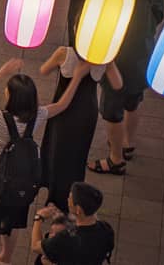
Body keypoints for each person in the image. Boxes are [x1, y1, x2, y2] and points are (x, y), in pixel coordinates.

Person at [0, 58, 82, 265]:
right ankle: (6, 258)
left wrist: (2, 71)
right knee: (12, 221)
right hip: (23, 177)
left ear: (11, 97)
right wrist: (77, 76)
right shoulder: (37, 116)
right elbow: (62, 105)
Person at [89, 0, 164, 178]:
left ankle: (115, 159)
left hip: (121, 68)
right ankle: (128, 144)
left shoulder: (131, 4)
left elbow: (107, 25)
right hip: (144, 63)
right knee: (133, 104)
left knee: (112, 113)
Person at [37, 44, 115, 215]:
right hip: (87, 113)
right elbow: (117, 84)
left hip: (63, 112)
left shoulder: (64, 53)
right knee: (77, 156)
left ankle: (53, 196)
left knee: (56, 151)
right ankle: (72, 197)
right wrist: (110, 60)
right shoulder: (104, 58)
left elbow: (43, 70)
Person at [31, 182, 115, 265]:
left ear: (78, 209)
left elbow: (35, 246)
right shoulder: (106, 229)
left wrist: (39, 217)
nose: (67, 199)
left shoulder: (66, 238)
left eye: (70, 198)